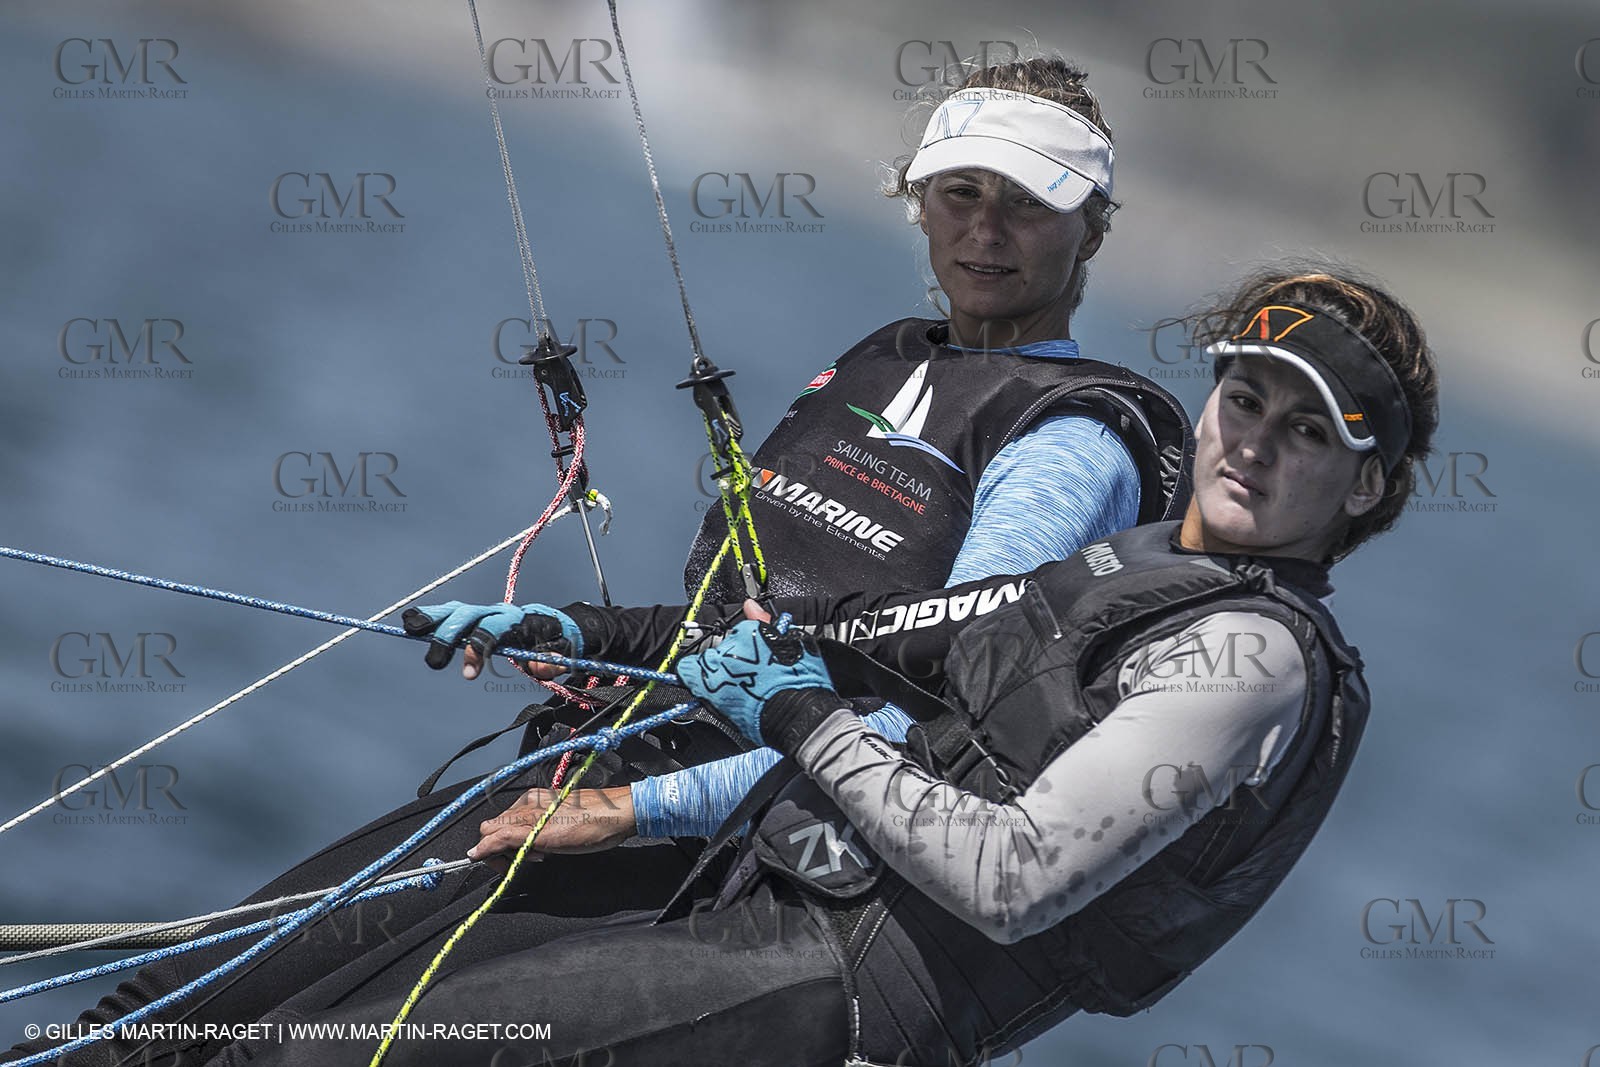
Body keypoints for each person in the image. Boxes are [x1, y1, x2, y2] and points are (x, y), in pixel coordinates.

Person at [8, 55, 1191, 1067]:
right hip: (609, 761)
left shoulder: (1069, 439)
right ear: (919, 202)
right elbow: (755, 615)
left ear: (1091, 224)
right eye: (957, 194)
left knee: (278, 1046)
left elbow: (934, 727)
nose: (983, 231)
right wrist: (571, 628)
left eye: (1025, 205)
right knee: (161, 1009)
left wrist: (634, 810)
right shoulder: (888, 361)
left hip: (711, 858)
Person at [209, 262, 1439, 1067]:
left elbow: (1010, 878)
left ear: (1367, 483)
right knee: (293, 1031)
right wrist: (594, 633)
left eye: (1305, 430)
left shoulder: (1249, 655)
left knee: (330, 1059)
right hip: (762, 915)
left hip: (845, 1003)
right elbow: (867, 640)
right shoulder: (1125, 567)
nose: (1252, 444)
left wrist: (795, 716)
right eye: (1243, 397)